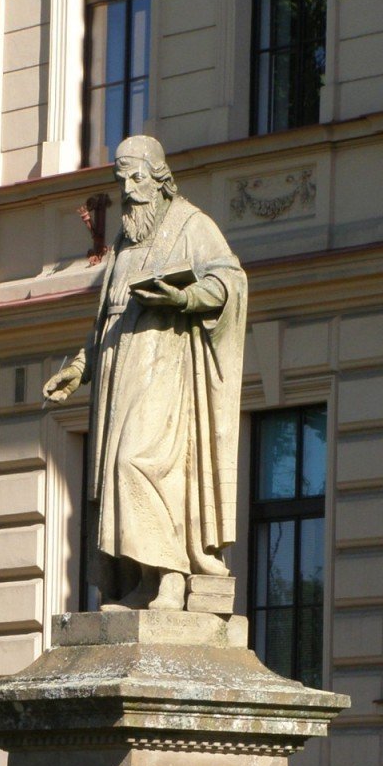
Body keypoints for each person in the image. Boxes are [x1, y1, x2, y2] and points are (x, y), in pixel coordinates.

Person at [43, 136, 247, 611]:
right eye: (121, 181)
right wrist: (79, 368)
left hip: (168, 365)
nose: (129, 191)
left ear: (160, 178)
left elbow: (227, 280)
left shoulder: (190, 226)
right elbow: (108, 318)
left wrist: (182, 298)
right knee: (114, 473)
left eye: (137, 178)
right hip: (119, 371)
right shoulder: (124, 242)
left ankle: (174, 574)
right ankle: (142, 580)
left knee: (136, 462)